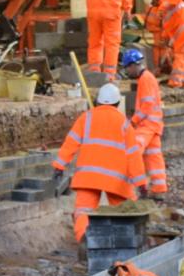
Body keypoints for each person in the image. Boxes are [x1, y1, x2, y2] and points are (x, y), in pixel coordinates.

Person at [53, 81, 137, 241]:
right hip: (116, 180)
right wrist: (140, 183)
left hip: (88, 177)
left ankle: (84, 240)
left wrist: (59, 165)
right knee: (123, 212)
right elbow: (134, 155)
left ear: (98, 101)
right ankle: (123, 241)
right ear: (118, 103)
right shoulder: (125, 124)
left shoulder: (86, 118)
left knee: (84, 211)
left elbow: (71, 142)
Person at [121, 46, 169, 198]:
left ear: (134, 65)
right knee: (153, 158)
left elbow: (146, 105)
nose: (127, 72)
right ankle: (159, 189)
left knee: (132, 152)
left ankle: (126, 189)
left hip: (147, 125)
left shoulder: (145, 79)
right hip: (154, 125)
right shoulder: (147, 77)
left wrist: (133, 122)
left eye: (127, 68)